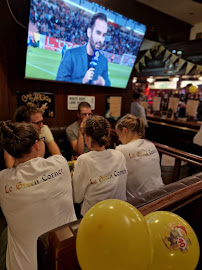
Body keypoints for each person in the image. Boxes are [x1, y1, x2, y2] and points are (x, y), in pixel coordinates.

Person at [0, 121, 76, 270]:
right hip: (66, 259)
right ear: (36, 144)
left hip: (23, 265)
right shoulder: (59, 163)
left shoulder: (3, 180)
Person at [72, 115, 127, 216]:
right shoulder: (119, 155)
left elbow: (76, 197)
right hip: (120, 212)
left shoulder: (84, 160)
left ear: (87, 137)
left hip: (94, 217)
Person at [115, 114, 164, 199]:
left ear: (125, 131)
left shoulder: (121, 150)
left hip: (140, 201)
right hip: (160, 194)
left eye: (118, 135)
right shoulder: (151, 145)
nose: (119, 139)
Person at [56, 13, 111, 86]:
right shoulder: (71, 54)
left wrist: (104, 83)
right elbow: (59, 83)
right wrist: (82, 80)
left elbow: (108, 83)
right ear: (89, 32)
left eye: (103, 35)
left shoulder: (103, 61)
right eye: (98, 33)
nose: (100, 39)